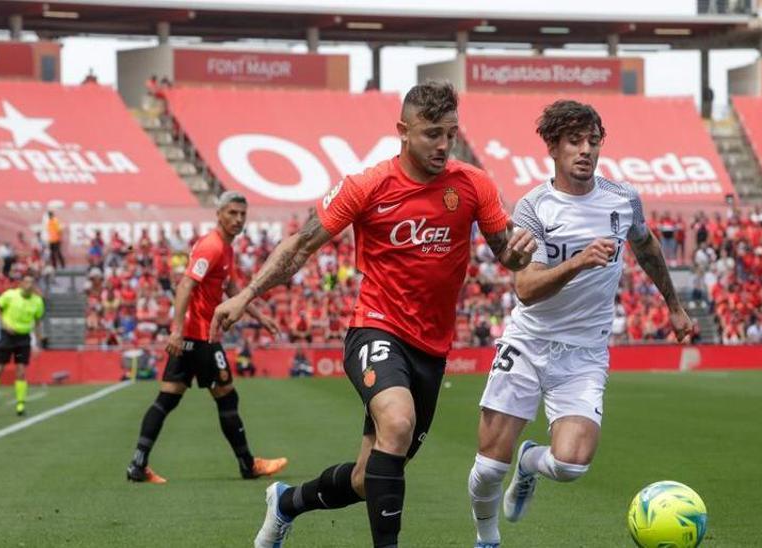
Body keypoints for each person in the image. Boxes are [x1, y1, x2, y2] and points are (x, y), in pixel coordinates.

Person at [214, 81, 537, 548]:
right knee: (399, 421)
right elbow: (301, 246)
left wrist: (521, 254)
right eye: (431, 134)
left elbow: (508, 255)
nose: (443, 145)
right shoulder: (367, 186)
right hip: (376, 328)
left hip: (432, 348)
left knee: (370, 479)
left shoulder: (473, 185)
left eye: (451, 133)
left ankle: (285, 503)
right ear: (403, 131)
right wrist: (245, 296)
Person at [466, 100, 694, 547]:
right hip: (529, 343)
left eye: (593, 141)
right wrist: (579, 261)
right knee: (490, 466)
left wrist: (674, 305)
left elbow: (646, 248)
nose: (586, 150)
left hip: (584, 353)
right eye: (574, 141)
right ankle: (487, 537)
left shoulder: (623, 199)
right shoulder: (533, 207)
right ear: (553, 147)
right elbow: (526, 289)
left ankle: (531, 463)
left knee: (570, 464)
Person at [125, 192, 287, 484]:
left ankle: (138, 464)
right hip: (200, 336)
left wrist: (261, 318)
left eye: (242, 214)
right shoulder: (211, 246)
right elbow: (185, 285)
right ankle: (248, 465)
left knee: (167, 399)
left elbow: (235, 292)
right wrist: (175, 330)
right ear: (219, 213)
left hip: (191, 336)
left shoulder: (227, 249)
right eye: (233, 213)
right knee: (227, 397)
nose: (238, 219)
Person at [0, 274, 44, 417]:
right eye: (27, 281)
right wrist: (3, 323)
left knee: (21, 371)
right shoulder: (10, 295)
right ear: (21, 283)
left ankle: (20, 405)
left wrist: (38, 341)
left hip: (23, 339)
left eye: (32, 282)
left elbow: (38, 321)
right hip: (8, 337)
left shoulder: (38, 301)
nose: (29, 285)